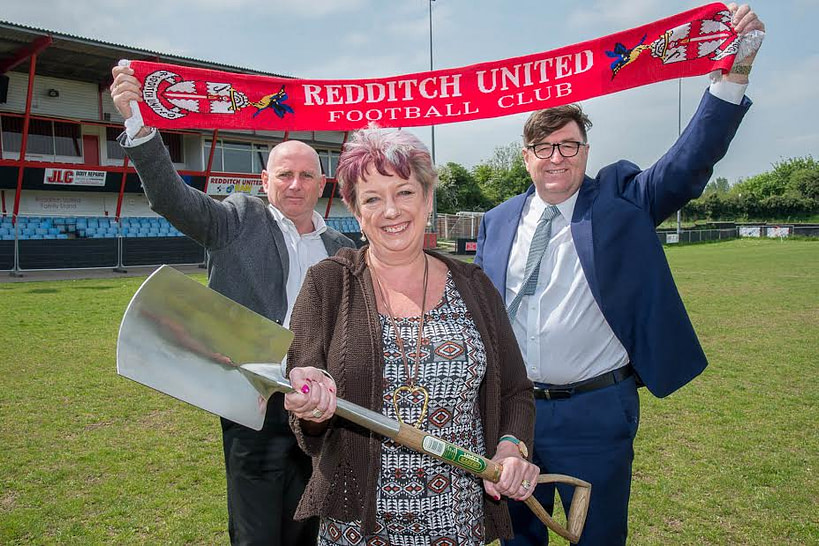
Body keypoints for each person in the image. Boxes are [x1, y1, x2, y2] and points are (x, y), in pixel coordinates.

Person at [474, 4, 765, 545]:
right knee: (515, 539)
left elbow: (686, 163)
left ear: (586, 150)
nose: (556, 158)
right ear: (526, 157)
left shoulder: (621, 201)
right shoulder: (496, 221)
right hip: (514, 419)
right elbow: (473, 308)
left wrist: (733, 78)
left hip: (596, 412)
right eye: (543, 148)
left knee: (600, 537)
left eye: (569, 146)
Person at [110, 64, 356, 546]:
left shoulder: (343, 250)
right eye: (285, 174)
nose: (295, 184)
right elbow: (171, 198)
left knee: (309, 525)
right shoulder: (235, 220)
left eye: (307, 175)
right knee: (256, 531)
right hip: (255, 401)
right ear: (265, 180)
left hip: (322, 407)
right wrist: (137, 121)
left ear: (321, 185)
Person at [281, 127, 539, 545]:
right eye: (372, 198)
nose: (390, 211)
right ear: (355, 210)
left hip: (455, 520)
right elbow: (301, 397)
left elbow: (515, 390)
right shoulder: (327, 284)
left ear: (427, 198)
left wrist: (511, 447)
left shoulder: (474, 285)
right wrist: (310, 403)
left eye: (404, 192)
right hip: (357, 524)